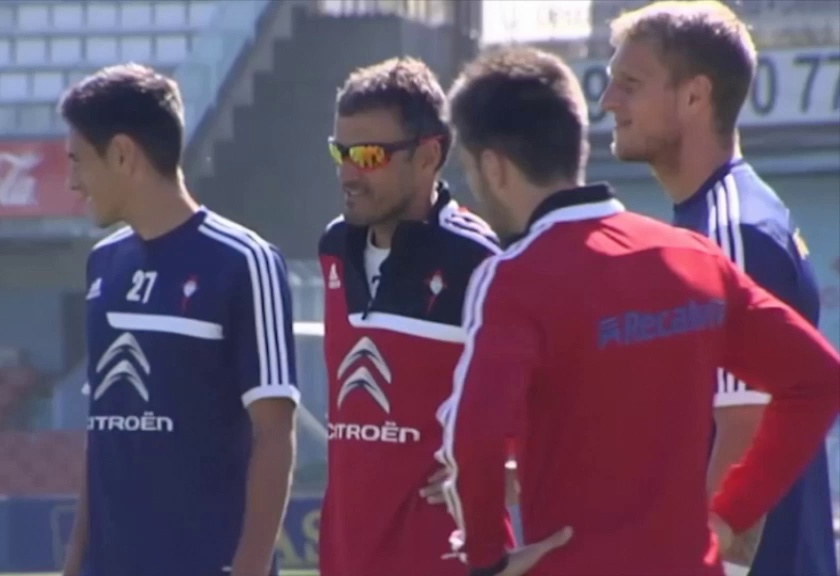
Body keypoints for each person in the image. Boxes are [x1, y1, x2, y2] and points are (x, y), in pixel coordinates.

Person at [436, 45, 840, 576]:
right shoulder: (691, 256)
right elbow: (820, 379)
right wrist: (731, 513)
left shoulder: (515, 278)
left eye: (469, 168)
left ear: (493, 166)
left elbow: (474, 438)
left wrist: (488, 558)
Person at [600, 2, 839, 573]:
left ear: (694, 96)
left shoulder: (730, 230)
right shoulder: (716, 217)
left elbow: (742, 431)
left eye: (629, 84)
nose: (608, 100)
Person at [56, 64, 299, 576]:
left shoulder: (244, 261)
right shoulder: (103, 263)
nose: (72, 182)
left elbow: (275, 434)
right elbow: (103, 434)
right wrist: (75, 563)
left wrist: (250, 568)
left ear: (123, 154)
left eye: (78, 161)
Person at [318, 57, 501, 576]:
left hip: (444, 559)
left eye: (368, 156)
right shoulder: (333, 246)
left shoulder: (480, 261)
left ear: (428, 156)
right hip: (344, 559)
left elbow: (551, 395)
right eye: (340, 152)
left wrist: (508, 468)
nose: (348, 173)